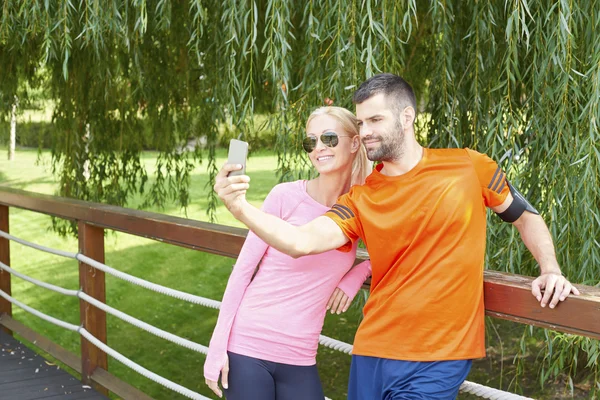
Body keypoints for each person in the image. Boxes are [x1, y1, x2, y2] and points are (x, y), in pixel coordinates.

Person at [213, 73, 581, 400]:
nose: (366, 130)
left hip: (440, 354)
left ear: (407, 117)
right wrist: (240, 208)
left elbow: (526, 216)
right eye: (360, 122)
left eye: (375, 119)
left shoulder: (468, 166)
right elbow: (300, 242)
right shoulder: (361, 197)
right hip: (372, 350)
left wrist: (549, 268)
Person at [204, 106, 373, 400]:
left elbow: (394, 250)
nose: (319, 148)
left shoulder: (360, 207)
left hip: (301, 355)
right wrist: (217, 349)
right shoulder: (286, 196)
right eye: (311, 141)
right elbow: (242, 272)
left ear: (355, 142)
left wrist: (358, 273)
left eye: (329, 138)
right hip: (248, 346)